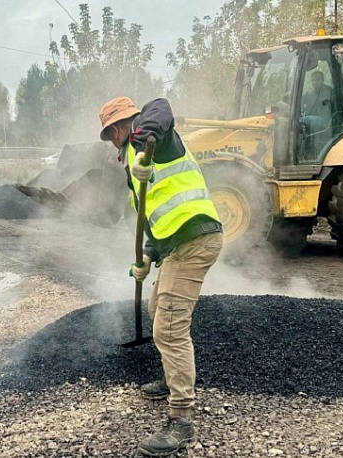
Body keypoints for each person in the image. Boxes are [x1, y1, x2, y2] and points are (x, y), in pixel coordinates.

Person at [98, 96, 223, 457]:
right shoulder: (137, 172)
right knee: (158, 309)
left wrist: (142, 143)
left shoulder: (155, 141)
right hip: (177, 246)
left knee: (169, 329)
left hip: (196, 240)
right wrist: (147, 258)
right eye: (112, 134)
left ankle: (182, 421)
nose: (115, 139)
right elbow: (154, 223)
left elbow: (161, 106)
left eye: (115, 131)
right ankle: (171, 379)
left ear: (123, 127)